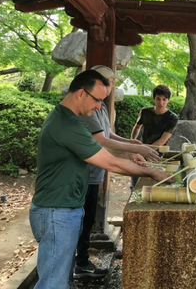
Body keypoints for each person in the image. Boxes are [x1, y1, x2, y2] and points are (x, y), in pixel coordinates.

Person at [29, 70, 172, 289]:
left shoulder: (69, 119)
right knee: (52, 283)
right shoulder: (69, 125)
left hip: (62, 208)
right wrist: (152, 172)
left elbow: (100, 151)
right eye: (97, 100)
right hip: (56, 211)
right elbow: (109, 163)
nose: (99, 107)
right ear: (80, 93)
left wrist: (130, 152)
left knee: (60, 278)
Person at [74, 66, 161, 280]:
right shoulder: (86, 109)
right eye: (108, 82)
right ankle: (80, 263)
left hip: (95, 172)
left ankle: (80, 263)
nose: (112, 86)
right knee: (80, 221)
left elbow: (107, 133)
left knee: (86, 218)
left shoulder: (99, 105)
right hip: (84, 174)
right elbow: (101, 142)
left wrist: (129, 143)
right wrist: (136, 152)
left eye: (112, 82)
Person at [130, 84, 179, 189]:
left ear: (168, 100)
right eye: (158, 99)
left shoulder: (172, 117)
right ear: (153, 99)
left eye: (164, 99)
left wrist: (143, 150)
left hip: (160, 153)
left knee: (155, 181)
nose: (161, 102)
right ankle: (133, 190)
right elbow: (137, 127)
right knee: (135, 176)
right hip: (143, 148)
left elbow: (162, 140)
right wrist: (132, 141)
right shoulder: (145, 111)